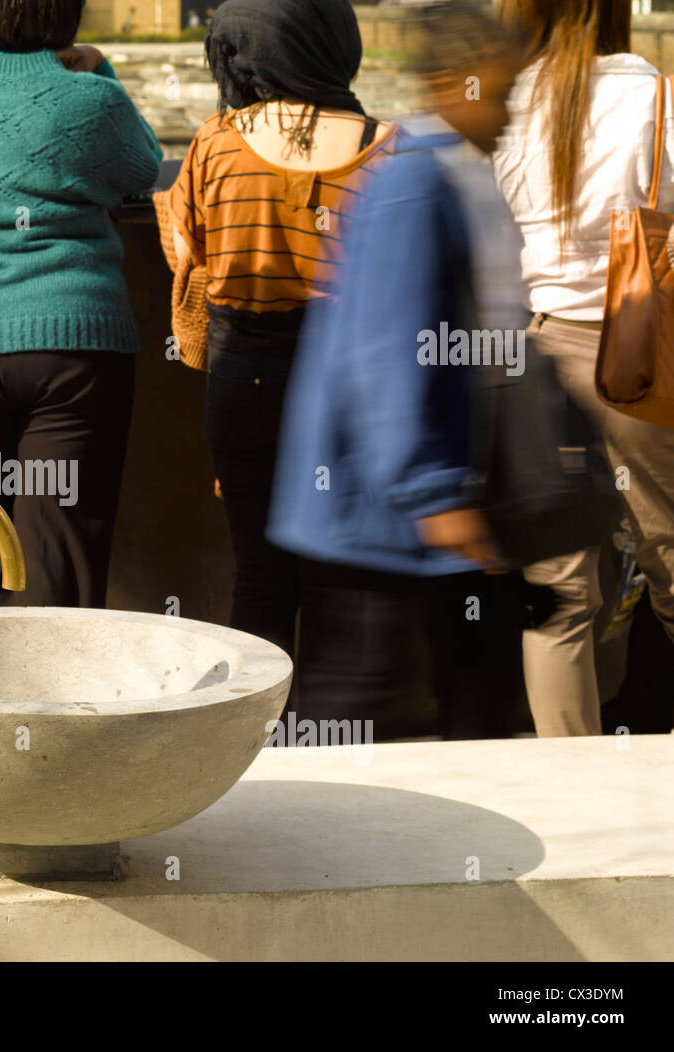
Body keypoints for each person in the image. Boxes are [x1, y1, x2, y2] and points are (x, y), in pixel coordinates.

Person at [266, 0, 529, 739]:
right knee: (358, 705)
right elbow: (386, 351)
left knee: (423, 698)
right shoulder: (417, 185)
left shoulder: (438, 173)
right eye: (500, 91)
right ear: (452, 83)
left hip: (395, 513)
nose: (510, 111)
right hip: (382, 518)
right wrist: (434, 493)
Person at [0, 0, 163, 608]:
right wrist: (101, 71)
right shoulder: (90, 97)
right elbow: (144, 168)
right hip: (73, 349)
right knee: (57, 544)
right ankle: (39, 700)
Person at [164, 0, 397, 672]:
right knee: (336, 580)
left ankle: (259, 746)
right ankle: (335, 752)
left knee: (259, 579)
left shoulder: (217, 139)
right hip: (346, 386)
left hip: (244, 380)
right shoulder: (387, 148)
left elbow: (188, 248)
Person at [493, 0, 674, 736]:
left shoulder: (507, 100)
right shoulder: (657, 95)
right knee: (667, 552)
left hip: (537, 354)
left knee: (560, 591)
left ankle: (574, 786)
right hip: (644, 355)